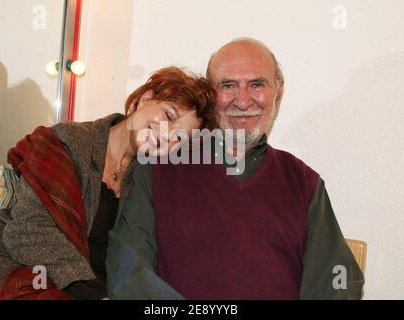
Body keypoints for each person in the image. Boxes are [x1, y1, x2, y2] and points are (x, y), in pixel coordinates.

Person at [106, 38, 365, 300]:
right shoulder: (158, 169)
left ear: (278, 91)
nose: (242, 101)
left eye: (257, 84)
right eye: (228, 85)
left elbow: (339, 278)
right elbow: (128, 273)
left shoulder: (303, 182)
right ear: (210, 94)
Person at [0, 66, 217, 300]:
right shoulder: (68, 141)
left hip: (100, 288)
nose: (167, 134)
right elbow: (29, 231)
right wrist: (93, 292)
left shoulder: (149, 177)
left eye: (178, 137)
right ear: (145, 99)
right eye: (168, 115)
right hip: (20, 267)